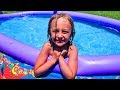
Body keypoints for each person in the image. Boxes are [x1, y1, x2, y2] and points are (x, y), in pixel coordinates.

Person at [34, 13, 78, 79]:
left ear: (71, 34)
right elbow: (37, 72)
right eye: (55, 31)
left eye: (65, 32)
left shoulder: (72, 49)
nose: (59, 36)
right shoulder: (48, 47)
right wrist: (54, 58)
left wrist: (60, 57)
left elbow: (70, 77)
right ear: (49, 32)